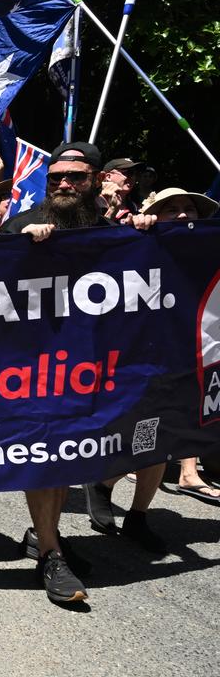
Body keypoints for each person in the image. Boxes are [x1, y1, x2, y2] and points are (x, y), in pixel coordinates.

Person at [0, 141, 157, 604]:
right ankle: (51, 553)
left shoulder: (116, 231)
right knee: (48, 458)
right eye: (55, 178)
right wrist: (19, 251)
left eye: (75, 177)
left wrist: (151, 232)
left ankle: (45, 535)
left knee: (75, 459)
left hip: (98, 373)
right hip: (36, 372)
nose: (64, 184)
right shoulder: (21, 226)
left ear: (97, 181)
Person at [138, 188, 220, 506]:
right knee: (146, 432)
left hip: (196, 345)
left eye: (190, 209)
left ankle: (182, 477)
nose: (183, 215)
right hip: (147, 349)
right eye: (172, 209)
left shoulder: (208, 249)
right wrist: (136, 226)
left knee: (184, 417)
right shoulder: (139, 241)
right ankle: (105, 482)